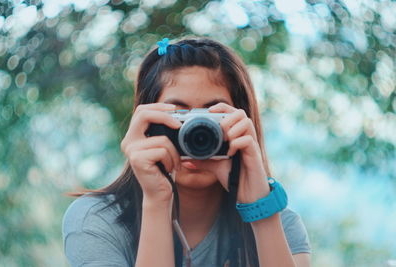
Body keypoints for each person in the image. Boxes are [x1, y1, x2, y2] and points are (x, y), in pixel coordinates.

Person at [62, 37, 311, 267]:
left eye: (213, 117)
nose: (195, 133)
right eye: (178, 117)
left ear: (244, 125)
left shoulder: (281, 226)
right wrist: (157, 201)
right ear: (145, 124)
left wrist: (260, 210)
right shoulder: (97, 220)